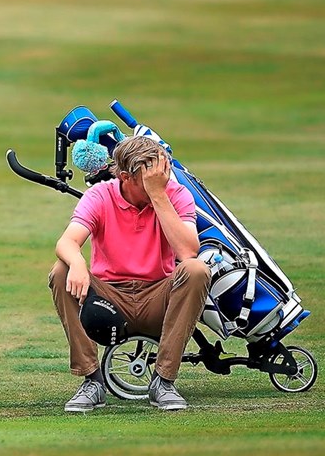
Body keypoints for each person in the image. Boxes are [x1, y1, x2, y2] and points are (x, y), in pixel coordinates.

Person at [49, 135, 211, 412]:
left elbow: (187, 252)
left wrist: (159, 195)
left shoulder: (175, 194)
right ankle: (92, 381)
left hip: (158, 296)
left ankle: (164, 382)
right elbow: (66, 242)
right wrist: (77, 264)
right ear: (125, 176)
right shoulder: (100, 195)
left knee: (196, 270)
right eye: (148, 177)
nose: (159, 180)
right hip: (109, 299)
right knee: (61, 270)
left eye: (162, 173)